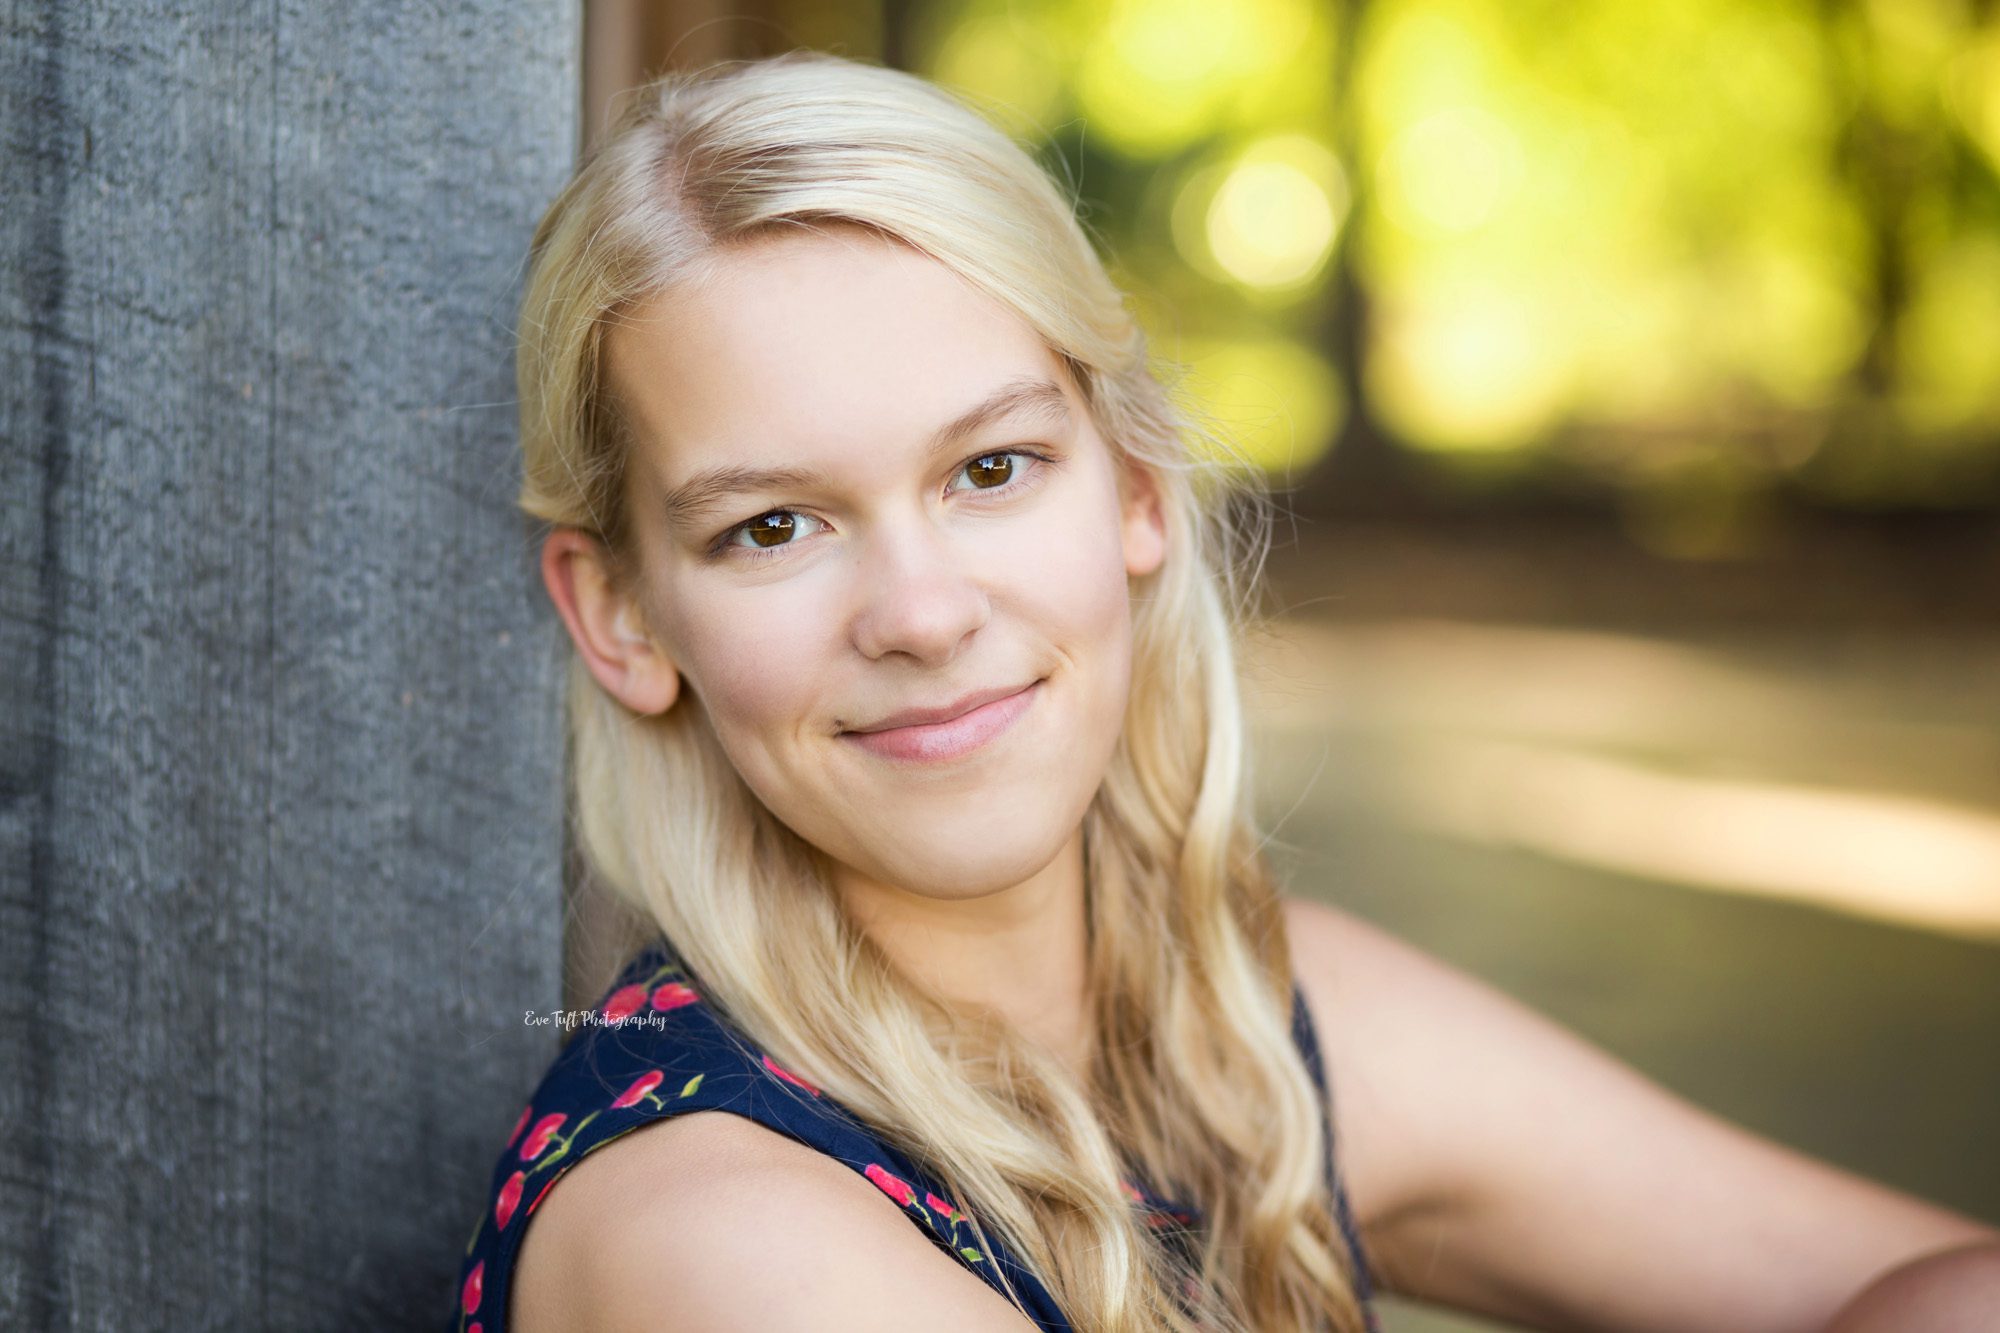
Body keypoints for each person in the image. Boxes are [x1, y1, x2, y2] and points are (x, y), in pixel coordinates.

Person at [450, 50, 2000, 1333]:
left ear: (1136, 490)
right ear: (625, 614)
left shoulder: (1256, 1024)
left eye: (993, 467)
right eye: (772, 526)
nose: (920, 613)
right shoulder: (713, 1233)